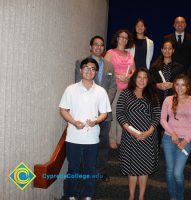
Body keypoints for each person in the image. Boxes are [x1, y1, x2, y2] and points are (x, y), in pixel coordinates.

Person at [59, 57, 111, 199]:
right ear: (81, 70)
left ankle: (88, 194)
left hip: (92, 137)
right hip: (73, 137)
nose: (89, 71)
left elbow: (104, 113)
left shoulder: (101, 91)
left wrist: (96, 121)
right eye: (86, 68)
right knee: (73, 168)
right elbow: (63, 109)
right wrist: (74, 122)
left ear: (96, 72)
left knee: (90, 168)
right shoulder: (70, 89)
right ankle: (71, 194)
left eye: (93, 69)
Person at [75, 35, 117, 181]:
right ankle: (85, 171)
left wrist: (104, 104)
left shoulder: (109, 65)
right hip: (85, 113)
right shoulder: (81, 63)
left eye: (101, 45)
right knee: (85, 143)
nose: (99, 47)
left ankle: (101, 171)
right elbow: (77, 85)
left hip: (104, 113)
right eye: (96, 45)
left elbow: (113, 86)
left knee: (103, 144)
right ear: (91, 47)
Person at [116, 68, 160, 200]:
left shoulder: (153, 95)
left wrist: (149, 132)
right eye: (139, 77)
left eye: (145, 77)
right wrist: (130, 130)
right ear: (134, 78)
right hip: (130, 136)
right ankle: (131, 195)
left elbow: (156, 115)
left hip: (148, 137)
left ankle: (141, 196)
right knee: (132, 167)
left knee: (144, 168)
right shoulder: (125, 93)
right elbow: (119, 113)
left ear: (148, 80)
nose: (141, 80)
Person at [160, 74, 191, 200]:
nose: (180, 87)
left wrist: (186, 140)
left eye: (183, 84)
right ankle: (173, 196)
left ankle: (180, 196)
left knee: (177, 173)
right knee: (170, 171)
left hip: (185, 140)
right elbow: (162, 119)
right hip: (169, 138)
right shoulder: (168, 99)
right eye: (177, 84)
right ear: (174, 85)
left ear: (187, 86)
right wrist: (172, 133)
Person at [104, 29, 135, 149]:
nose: (123, 39)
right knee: (113, 112)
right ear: (117, 38)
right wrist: (117, 76)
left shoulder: (129, 55)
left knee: (123, 114)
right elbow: (105, 70)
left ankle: (120, 138)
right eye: (121, 37)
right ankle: (112, 139)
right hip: (114, 88)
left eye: (126, 38)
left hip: (127, 89)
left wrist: (129, 76)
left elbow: (134, 71)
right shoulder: (110, 53)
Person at [149, 40, 185, 105]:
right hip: (157, 100)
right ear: (162, 50)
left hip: (174, 99)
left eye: (170, 49)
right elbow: (149, 83)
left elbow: (184, 84)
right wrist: (157, 85)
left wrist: (173, 85)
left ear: (173, 50)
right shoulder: (154, 66)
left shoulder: (179, 67)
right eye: (165, 48)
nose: (167, 50)